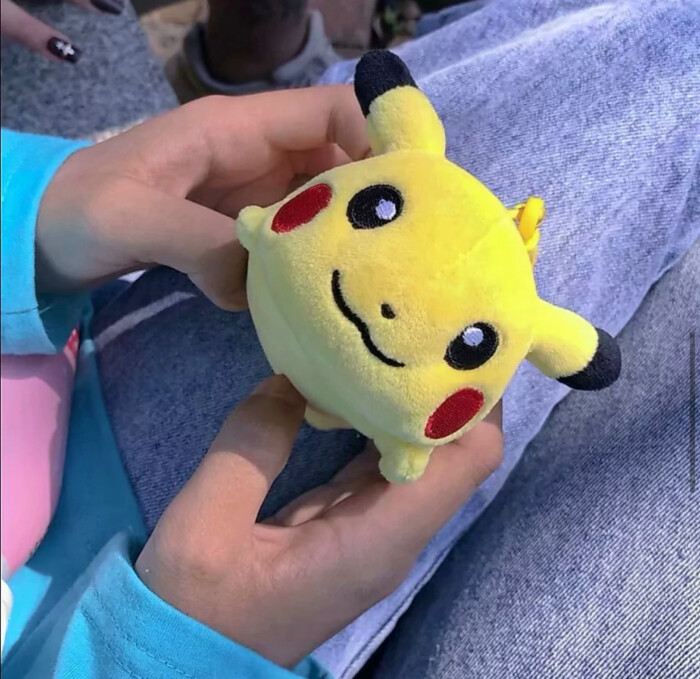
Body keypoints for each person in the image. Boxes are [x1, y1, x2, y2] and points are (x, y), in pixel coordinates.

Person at [2, 0, 699, 677]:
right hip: (144, 595)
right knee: (674, 47)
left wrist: (25, 211)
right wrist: (167, 655)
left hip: (75, 397)